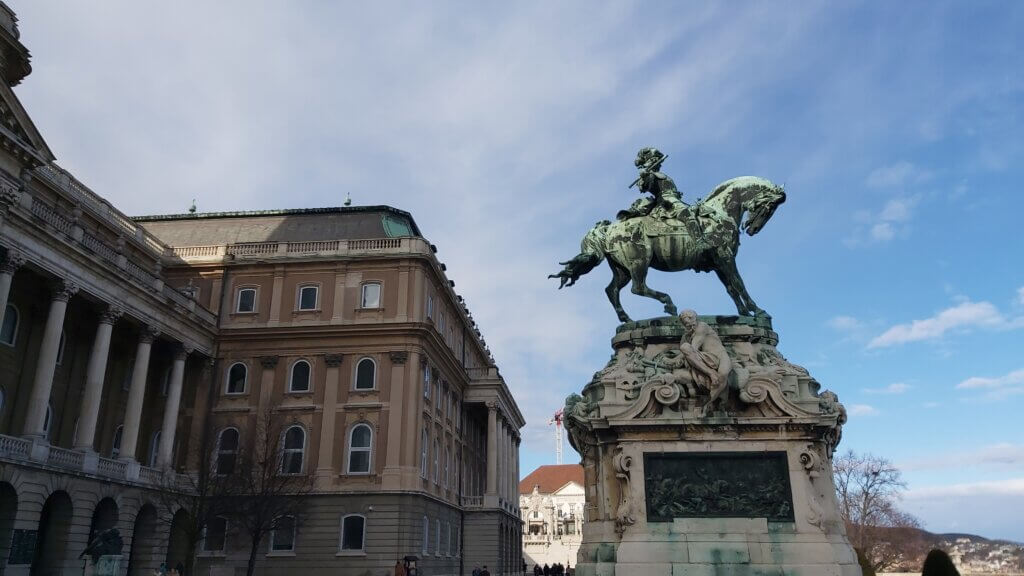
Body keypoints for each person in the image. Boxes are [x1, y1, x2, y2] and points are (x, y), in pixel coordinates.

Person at [678, 309, 732, 414]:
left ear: (695, 317)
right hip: (702, 357)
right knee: (685, 347)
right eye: (685, 321)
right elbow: (684, 352)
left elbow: (694, 347)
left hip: (719, 357)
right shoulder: (686, 336)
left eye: (690, 318)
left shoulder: (702, 326)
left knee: (723, 375)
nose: (687, 322)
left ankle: (716, 401)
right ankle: (711, 374)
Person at [619, 147, 688, 222]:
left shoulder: (660, 175)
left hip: (674, 198)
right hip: (667, 199)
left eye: (657, 161)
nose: (659, 164)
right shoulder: (649, 176)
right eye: (653, 160)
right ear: (648, 163)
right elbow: (646, 186)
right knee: (687, 215)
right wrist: (645, 175)